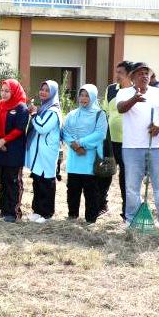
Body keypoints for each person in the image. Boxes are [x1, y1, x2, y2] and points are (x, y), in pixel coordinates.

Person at [116, 61, 159, 232]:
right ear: (132, 77)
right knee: (132, 187)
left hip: (156, 148)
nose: (144, 76)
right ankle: (131, 220)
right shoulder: (123, 92)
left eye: (147, 73)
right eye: (140, 73)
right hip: (131, 147)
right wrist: (134, 99)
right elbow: (121, 109)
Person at [62, 84, 108, 223]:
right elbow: (65, 132)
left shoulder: (99, 114)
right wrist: (75, 146)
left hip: (90, 158)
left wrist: (81, 143)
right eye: (81, 95)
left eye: (87, 95)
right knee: (72, 189)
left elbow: (100, 134)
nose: (83, 98)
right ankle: (72, 215)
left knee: (91, 191)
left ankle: (90, 219)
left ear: (93, 97)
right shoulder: (72, 114)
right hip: (75, 158)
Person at [0, 79, 29, 222]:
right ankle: (3, 210)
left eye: (8, 91)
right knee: (2, 181)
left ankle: (13, 213)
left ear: (14, 91)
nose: (4, 93)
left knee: (12, 182)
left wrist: (4, 141)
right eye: (3, 90)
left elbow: (19, 129)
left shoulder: (21, 108)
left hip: (13, 151)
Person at [26, 80, 63, 223]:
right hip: (39, 152)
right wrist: (35, 113)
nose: (43, 92)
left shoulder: (53, 111)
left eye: (47, 90)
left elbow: (42, 127)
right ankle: (37, 211)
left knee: (46, 181)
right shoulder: (43, 108)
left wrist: (34, 114)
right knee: (37, 180)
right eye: (42, 89)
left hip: (47, 152)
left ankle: (47, 213)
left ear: (53, 93)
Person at [101, 61, 133, 216]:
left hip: (128, 141)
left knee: (125, 175)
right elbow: (105, 111)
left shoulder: (135, 91)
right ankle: (102, 204)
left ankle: (126, 210)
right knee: (106, 172)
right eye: (117, 72)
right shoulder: (111, 89)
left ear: (129, 74)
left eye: (120, 72)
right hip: (110, 139)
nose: (117, 75)